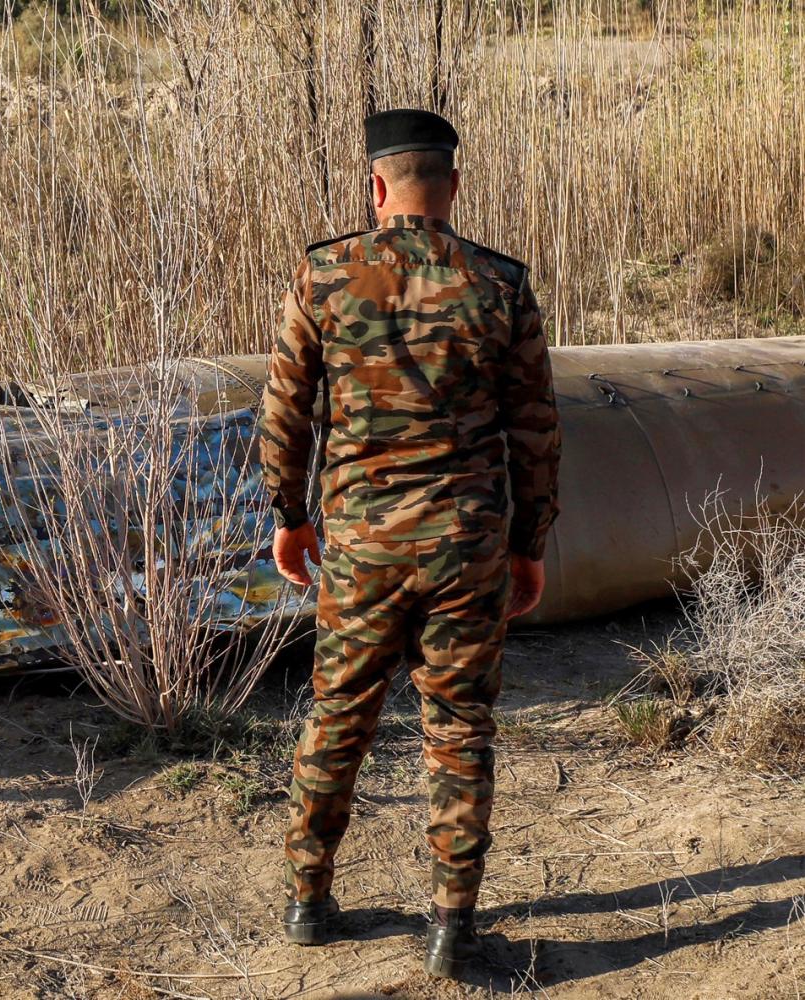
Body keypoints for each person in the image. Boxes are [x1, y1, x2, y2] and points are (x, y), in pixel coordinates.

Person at [259, 108, 561, 980]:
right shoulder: (498, 284)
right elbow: (536, 427)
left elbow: (284, 412)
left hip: (360, 546)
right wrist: (530, 539)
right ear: (453, 187)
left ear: (376, 186)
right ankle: (451, 929)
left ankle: (308, 902)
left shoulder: (324, 276)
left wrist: (288, 514)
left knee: (338, 716)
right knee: (459, 726)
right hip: (467, 545)